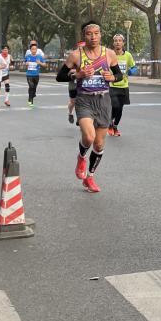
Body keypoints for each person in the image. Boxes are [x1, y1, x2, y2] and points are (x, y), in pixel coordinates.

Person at [57, 22, 123, 194]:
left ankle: (90, 177)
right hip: (84, 100)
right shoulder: (76, 55)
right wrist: (77, 74)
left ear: (101, 35)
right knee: (89, 136)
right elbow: (60, 76)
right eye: (89, 34)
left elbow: (119, 75)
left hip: (103, 100)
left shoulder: (109, 54)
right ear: (83, 36)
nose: (93, 37)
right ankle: (81, 158)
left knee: (99, 144)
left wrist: (113, 77)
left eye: (96, 33)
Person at [108, 33, 135, 137]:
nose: (117, 42)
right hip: (112, 85)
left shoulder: (128, 55)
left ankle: (115, 126)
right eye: (115, 41)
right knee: (115, 105)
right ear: (113, 43)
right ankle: (110, 123)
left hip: (124, 86)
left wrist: (133, 70)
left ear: (123, 43)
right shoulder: (110, 54)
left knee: (120, 109)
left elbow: (133, 66)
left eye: (120, 40)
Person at [24, 40, 45, 107]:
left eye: (35, 49)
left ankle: (32, 95)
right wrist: (26, 64)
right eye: (32, 49)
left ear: (37, 49)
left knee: (34, 88)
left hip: (36, 75)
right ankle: (30, 100)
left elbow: (44, 65)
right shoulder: (28, 56)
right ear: (30, 50)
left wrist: (40, 63)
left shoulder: (39, 56)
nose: (34, 50)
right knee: (31, 86)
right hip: (29, 74)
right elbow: (25, 64)